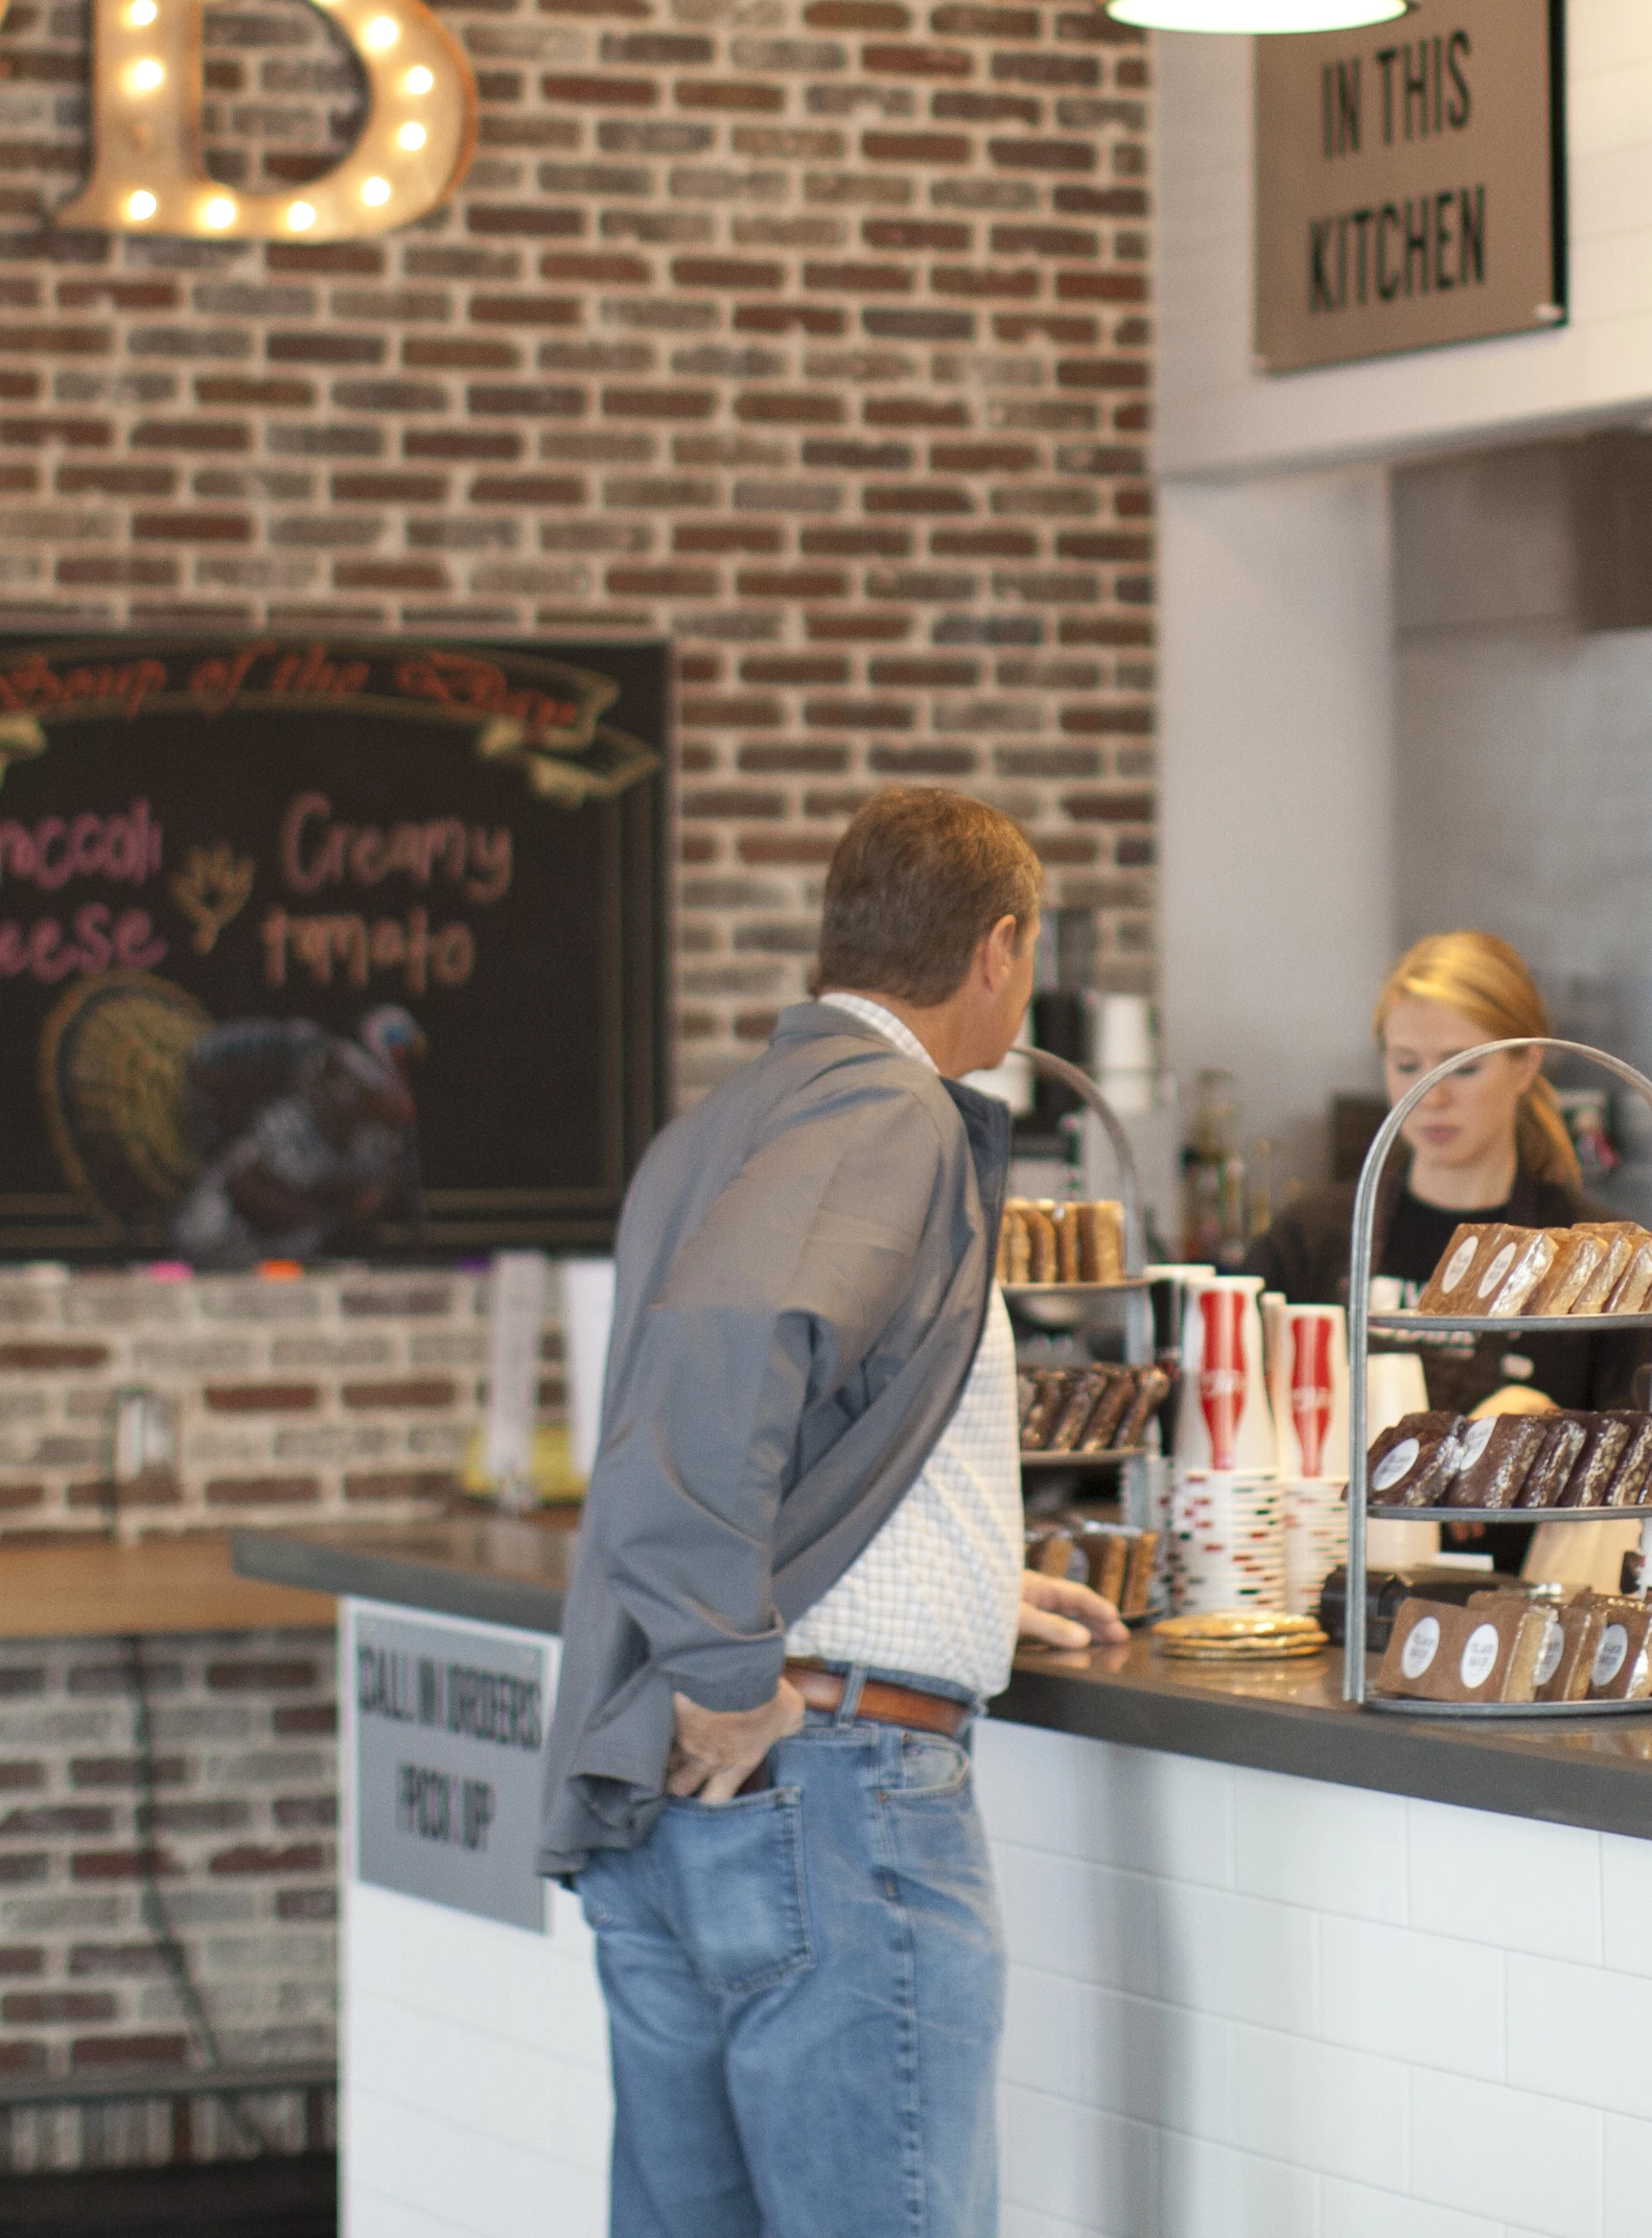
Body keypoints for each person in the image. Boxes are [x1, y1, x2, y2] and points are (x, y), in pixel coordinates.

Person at [534, 785, 1128, 2238]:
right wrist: (729, 1670)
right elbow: (726, 1362)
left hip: (697, 1793)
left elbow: (804, 1422)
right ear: (999, 949)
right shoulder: (890, 1114)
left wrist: (969, 1588)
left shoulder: (732, 1121)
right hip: (824, 1796)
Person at [1250, 932, 1650, 1562]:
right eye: (1407, 1065)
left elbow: (1647, 1465)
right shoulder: (1314, 1238)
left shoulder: (1597, 1255)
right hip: (1329, 1585)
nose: (1431, 1097)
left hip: (1523, 1612)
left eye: (1463, 1066)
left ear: (1526, 1064)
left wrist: (1551, 1429)